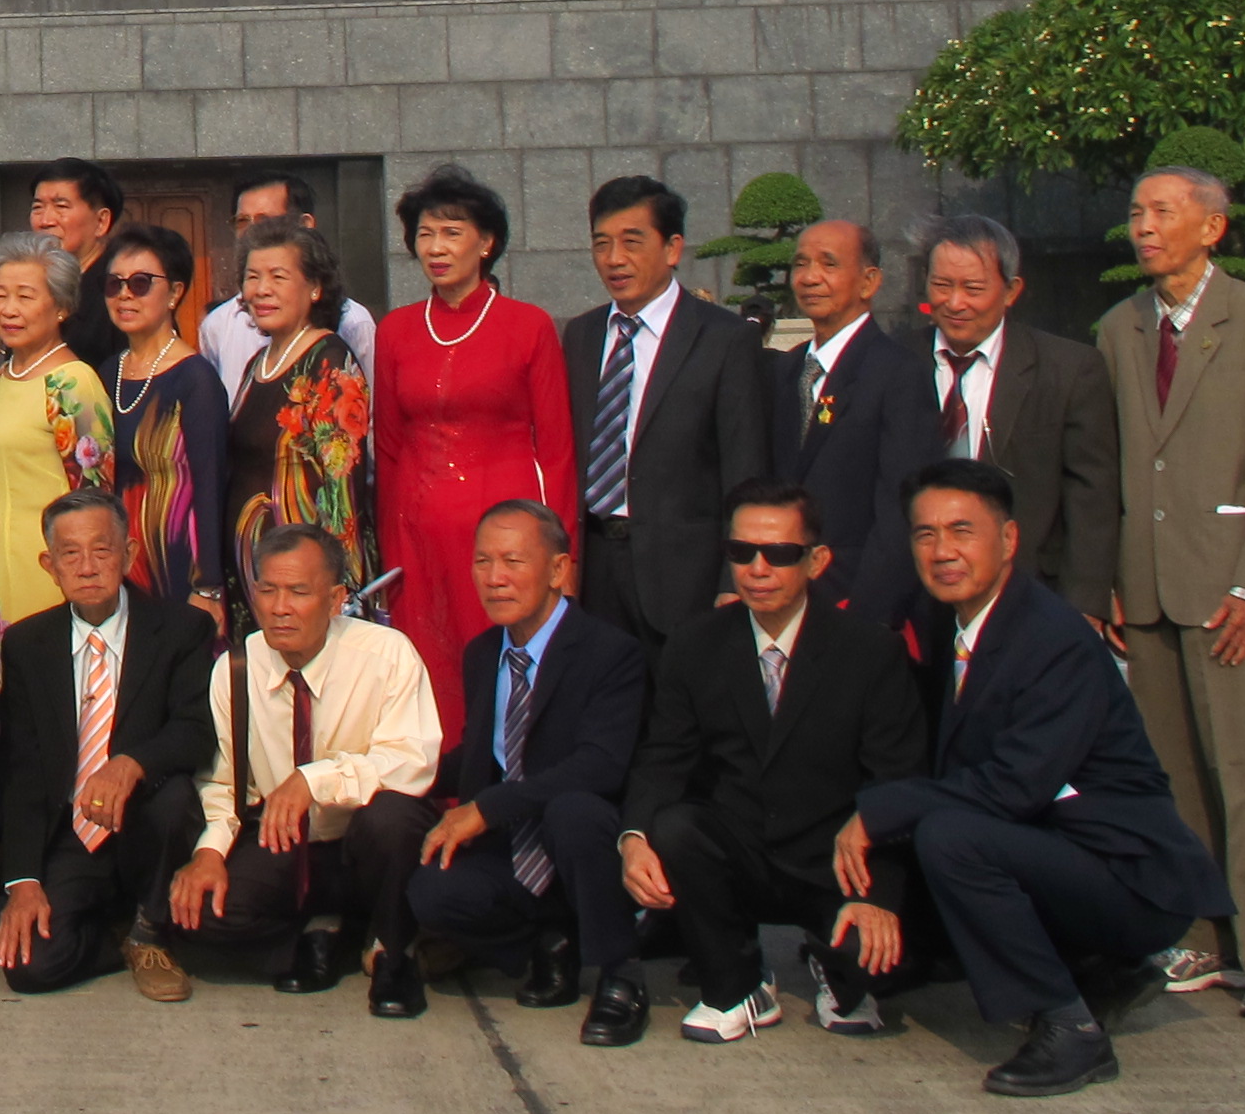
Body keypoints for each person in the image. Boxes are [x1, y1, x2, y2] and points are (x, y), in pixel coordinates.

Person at [856, 460, 1234, 1094]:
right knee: (910, 889)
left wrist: (879, 812)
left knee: (950, 837)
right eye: (925, 534)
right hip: (1055, 848)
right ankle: (1101, 973)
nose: (942, 551)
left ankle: (1070, 1030)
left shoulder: (1051, 638)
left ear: (1008, 539)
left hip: (1130, 877)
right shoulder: (948, 620)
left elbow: (1014, 787)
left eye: (962, 531)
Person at [1100, 166, 1245, 1020]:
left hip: (1232, 592)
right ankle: (1201, 933)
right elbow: (1116, 464)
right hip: (1148, 589)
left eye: (1163, 212)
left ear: (1212, 227)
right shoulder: (1120, 328)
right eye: (1137, 213)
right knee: (1173, 775)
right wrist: (1114, 581)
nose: (1144, 227)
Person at [618, 482, 926, 1043]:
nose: (758, 569)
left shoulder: (870, 651)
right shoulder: (694, 644)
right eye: (742, 552)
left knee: (875, 956)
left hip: (835, 861)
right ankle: (737, 986)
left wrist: (876, 897)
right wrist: (633, 838)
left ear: (817, 560)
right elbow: (663, 756)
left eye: (779, 553)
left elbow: (897, 777)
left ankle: (834, 966)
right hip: (741, 852)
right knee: (675, 826)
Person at [155, 521, 437, 1012]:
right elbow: (222, 783)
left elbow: (412, 761)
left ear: (335, 600)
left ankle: (393, 951)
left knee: (391, 819)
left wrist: (317, 779)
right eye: (267, 590)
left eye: (299, 592)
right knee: (200, 913)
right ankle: (324, 940)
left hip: (365, 844)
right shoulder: (236, 667)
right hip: (290, 845)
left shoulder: (386, 655)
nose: (279, 607)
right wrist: (209, 853)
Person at [408, 501, 652, 1046]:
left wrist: (488, 808)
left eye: (513, 561)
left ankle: (621, 973)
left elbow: (601, 765)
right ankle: (548, 944)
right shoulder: (482, 653)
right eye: (483, 561)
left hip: (583, 845)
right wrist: (394, 773)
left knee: (575, 812)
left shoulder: (610, 652)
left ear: (559, 570)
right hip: (514, 848)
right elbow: (482, 755)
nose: (495, 578)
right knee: (432, 890)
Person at [373, 166, 575, 730]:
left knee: (504, 662)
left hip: (502, 534)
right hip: (418, 536)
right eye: (425, 234)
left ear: (486, 243)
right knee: (426, 671)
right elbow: (388, 449)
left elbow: (557, 452)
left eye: (451, 233)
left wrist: (564, 558)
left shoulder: (529, 326)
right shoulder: (395, 330)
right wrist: (390, 547)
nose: (436, 248)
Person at [0, 490, 217, 1000]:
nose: (88, 567)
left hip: (148, 824)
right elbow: (22, 769)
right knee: (30, 969)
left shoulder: (181, 629)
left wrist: (131, 763)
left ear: (129, 554)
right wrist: (22, 881)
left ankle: (151, 932)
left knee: (173, 798)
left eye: (102, 550)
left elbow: (196, 730)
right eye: (70, 554)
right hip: (73, 832)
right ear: (50, 565)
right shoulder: (27, 645)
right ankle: (118, 934)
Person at [564, 175, 774, 652]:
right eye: (602, 243)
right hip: (595, 571)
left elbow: (745, 468)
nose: (614, 259)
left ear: (673, 248)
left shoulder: (725, 339)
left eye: (632, 242)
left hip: (686, 578)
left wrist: (733, 577)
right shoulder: (581, 336)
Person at [918, 215, 1120, 617]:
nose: (955, 303)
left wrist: (1085, 606)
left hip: (1031, 594)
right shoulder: (896, 362)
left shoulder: (1069, 370)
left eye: (973, 289)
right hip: (918, 598)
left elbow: (1092, 500)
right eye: (942, 285)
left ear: (1011, 291)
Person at [770, 220, 943, 632]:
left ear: (869, 281)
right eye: (800, 264)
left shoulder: (898, 373)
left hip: (857, 603)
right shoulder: (784, 370)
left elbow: (902, 510)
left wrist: (867, 612)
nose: (810, 277)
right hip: (782, 598)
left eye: (828, 264)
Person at [219, 214, 373, 605]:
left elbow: (343, 492)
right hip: (254, 569)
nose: (261, 290)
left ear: (315, 287)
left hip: (304, 583)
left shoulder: (330, 363)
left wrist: (337, 588)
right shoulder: (258, 363)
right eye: (252, 277)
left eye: (278, 276)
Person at [0, 234, 114, 629]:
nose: (9, 310)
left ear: (61, 306)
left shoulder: (72, 382)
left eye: (25, 296)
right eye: (0, 296)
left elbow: (95, 496)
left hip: (48, 566)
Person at [97, 223, 227, 617]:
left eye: (140, 283)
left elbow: (210, 487)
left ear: (174, 293)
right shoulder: (107, 372)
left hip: (178, 565)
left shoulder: (195, 378)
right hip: (116, 563)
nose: (124, 295)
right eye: (114, 284)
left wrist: (209, 586)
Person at [201, 171, 377, 393]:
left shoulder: (352, 323)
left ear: (305, 224)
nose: (252, 232)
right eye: (242, 221)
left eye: (265, 221)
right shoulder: (218, 325)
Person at [29, 158, 127, 374]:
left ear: (101, 221)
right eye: (37, 207)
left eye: (61, 207)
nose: (45, 221)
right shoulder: (33, 283)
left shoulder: (123, 291)